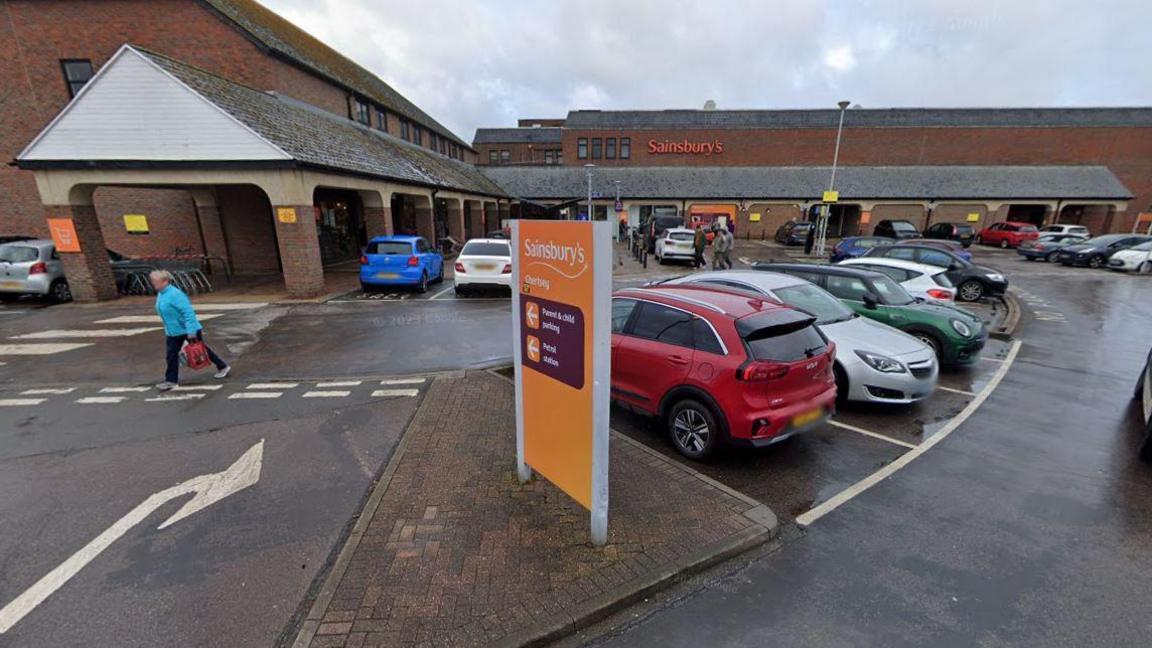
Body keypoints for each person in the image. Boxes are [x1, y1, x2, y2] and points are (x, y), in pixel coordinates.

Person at [151, 270, 230, 390]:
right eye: (153, 281)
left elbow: (188, 313)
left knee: (201, 350)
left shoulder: (175, 294)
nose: (153, 284)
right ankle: (171, 380)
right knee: (171, 356)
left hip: (187, 330)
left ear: (165, 282)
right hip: (173, 331)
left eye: (156, 281)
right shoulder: (161, 294)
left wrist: (191, 330)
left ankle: (222, 366)